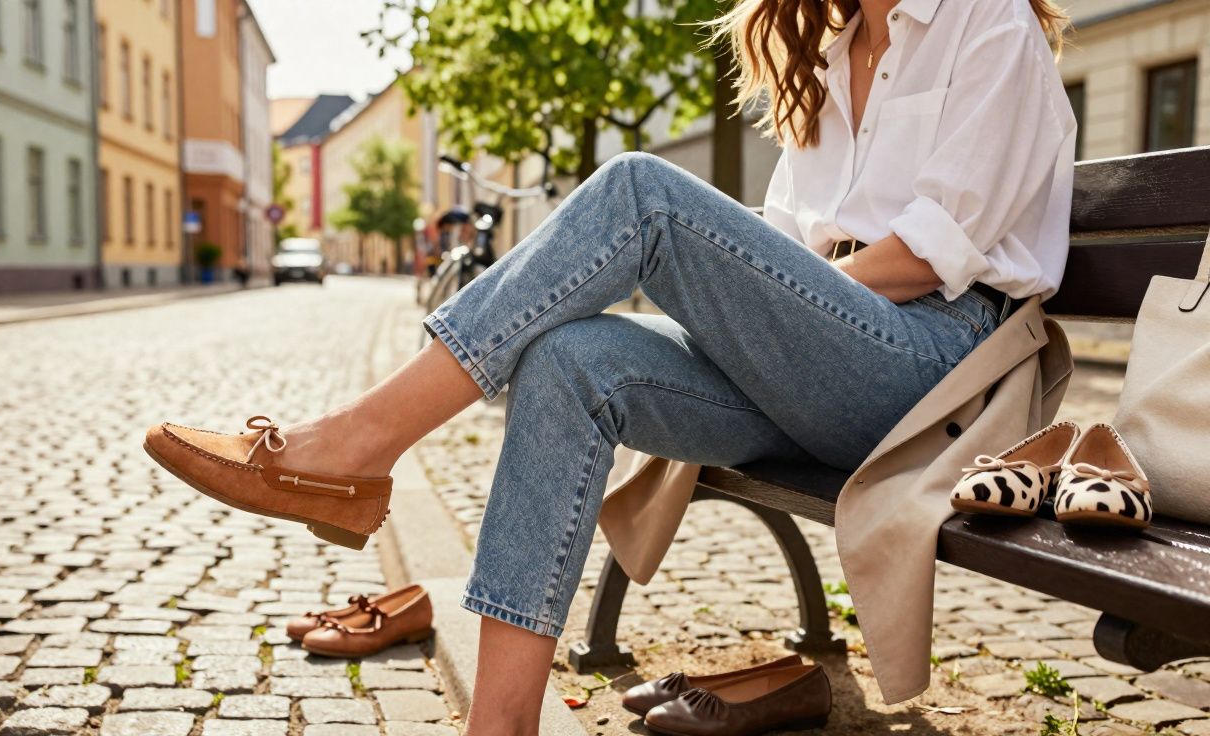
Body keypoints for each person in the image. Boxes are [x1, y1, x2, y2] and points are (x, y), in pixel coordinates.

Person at [143, 0, 1075, 732]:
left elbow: (926, 255)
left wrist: (754, 296)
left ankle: (353, 446)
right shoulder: (829, 54)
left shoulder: (982, 18)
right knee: (568, 359)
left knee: (641, 191)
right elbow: (784, 241)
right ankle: (501, 724)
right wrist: (757, 302)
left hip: (927, 371)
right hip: (814, 360)